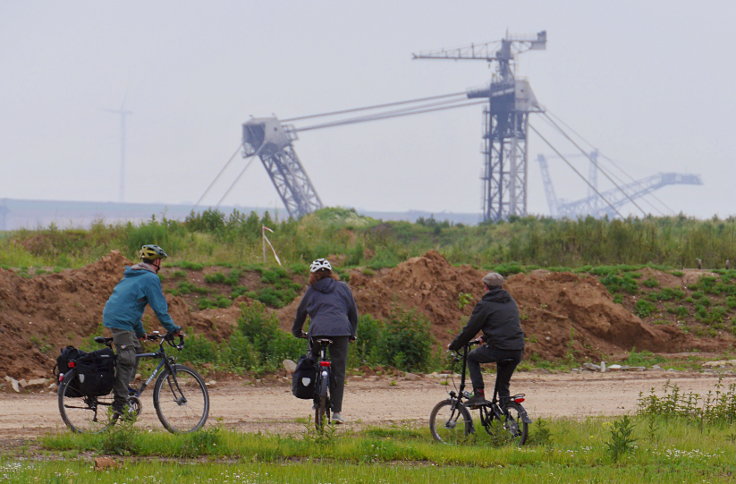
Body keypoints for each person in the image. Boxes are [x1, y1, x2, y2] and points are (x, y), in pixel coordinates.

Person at [103, 244, 182, 415]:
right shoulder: (150, 278)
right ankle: (120, 402)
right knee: (127, 359)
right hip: (120, 321)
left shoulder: (133, 275)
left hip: (119, 318)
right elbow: (160, 309)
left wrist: (140, 333)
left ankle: (124, 387)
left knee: (137, 348)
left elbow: (133, 307)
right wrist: (173, 329)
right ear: (157, 261)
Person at [292, 258, 358, 424]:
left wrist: (297, 331)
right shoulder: (343, 287)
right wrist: (352, 333)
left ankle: (316, 399)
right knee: (338, 370)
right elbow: (353, 313)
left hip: (317, 331)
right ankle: (336, 412)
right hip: (341, 331)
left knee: (312, 361)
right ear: (330, 272)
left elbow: (301, 313)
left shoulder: (312, 290)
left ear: (313, 275)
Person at [448, 272, 524, 407]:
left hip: (500, 348)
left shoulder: (485, 304)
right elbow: (506, 325)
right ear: (501, 286)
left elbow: (470, 329)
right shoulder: (510, 301)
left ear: (485, 287)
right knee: (503, 385)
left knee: (472, 357)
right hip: (517, 348)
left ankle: (479, 394)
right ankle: (505, 417)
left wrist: (455, 345)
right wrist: (485, 337)